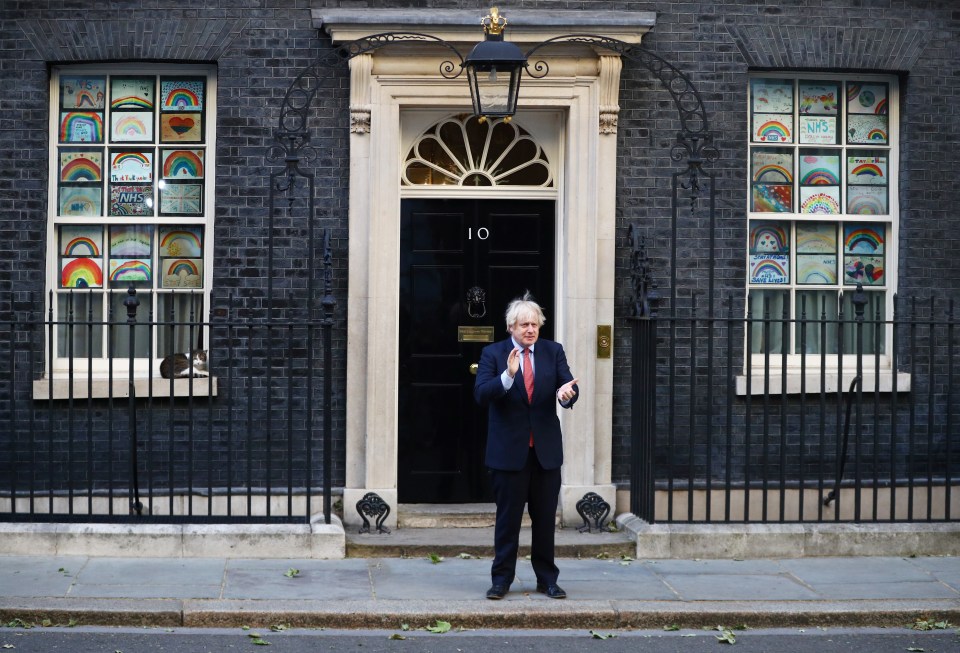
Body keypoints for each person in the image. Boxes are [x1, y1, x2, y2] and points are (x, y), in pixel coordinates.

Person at [473, 292, 579, 600]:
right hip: (509, 453)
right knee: (508, 521)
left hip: (545, 453)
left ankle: (547, 579)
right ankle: (501, 579)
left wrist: (567, 395)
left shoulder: (552, 351)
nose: (530, 329)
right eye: (523, 325)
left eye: (534, 324)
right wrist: (508, 376)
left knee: (545, 520)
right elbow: (481, 395)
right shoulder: (494, 354)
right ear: (511, 327)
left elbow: (568, 385)